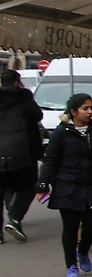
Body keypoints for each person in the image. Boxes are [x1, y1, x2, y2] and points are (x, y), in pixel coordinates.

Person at [36, 94, 92, 277]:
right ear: (73, 112)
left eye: (91, 107)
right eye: (85, 108)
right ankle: (71, 265)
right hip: (67, 186)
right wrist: (42, 184)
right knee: (70, 228)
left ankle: (83, 251)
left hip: (91, 184)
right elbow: (51, 160)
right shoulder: (61, 133)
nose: (90, 112)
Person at [0, 69, 45, 243]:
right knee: (28, 185)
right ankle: (15, 218)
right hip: (20, 151)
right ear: (17, 82)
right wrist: (25, 94)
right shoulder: (23, 99)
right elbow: (38, 115)